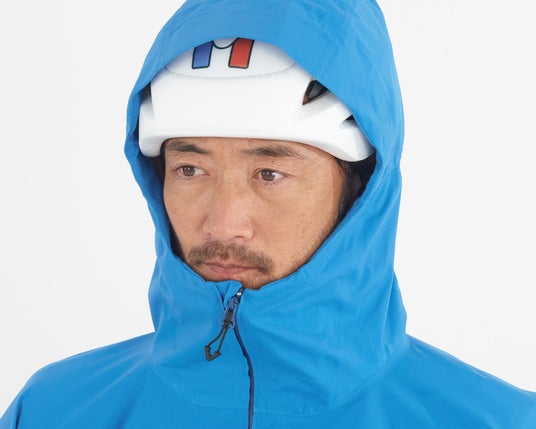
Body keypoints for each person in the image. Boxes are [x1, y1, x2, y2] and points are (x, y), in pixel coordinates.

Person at [1, 0, 535, 427]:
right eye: (190, 169)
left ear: (360, 190)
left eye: (270, 174)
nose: (223, 224)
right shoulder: (54, 411)